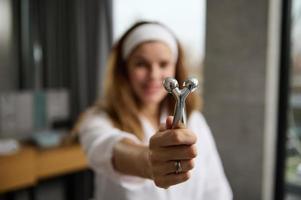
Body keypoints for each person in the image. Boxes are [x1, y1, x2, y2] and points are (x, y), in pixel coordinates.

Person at [75, 21, 233, 200]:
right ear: (125, 69)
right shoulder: (98, 120)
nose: (154, 75)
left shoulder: (195, 120)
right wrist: (148, 160)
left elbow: (216, 190)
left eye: (163, 64)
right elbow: (106, 148)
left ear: (175, 68)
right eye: (141, 64)